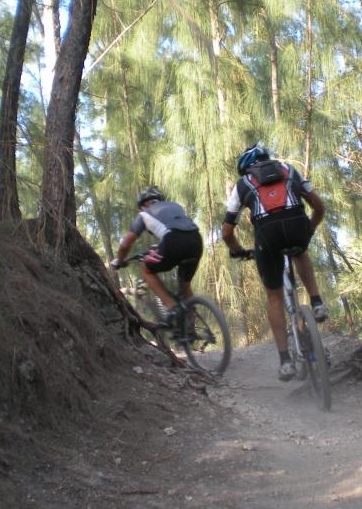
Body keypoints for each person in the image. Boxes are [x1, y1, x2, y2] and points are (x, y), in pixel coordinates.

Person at [222, 143, 328, 381]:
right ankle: (317, 302)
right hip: (296, 227)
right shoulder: (289, 170)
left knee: (274, 296)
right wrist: (308, 231)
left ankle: (285, 361)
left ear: (245, 168)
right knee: (300, 251)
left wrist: (238, 251)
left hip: (267, 237)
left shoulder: (243, 185)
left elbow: (227, 231)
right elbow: (319, 206)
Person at [111, 186, 203, 324]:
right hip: (196, 240)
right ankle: (191, 320)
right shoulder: (175, 206)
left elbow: (125, 245)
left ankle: (171, 307)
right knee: (184, 283)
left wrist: (119, 260)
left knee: (145, 268)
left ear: (143, 205)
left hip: (173, 240)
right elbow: (176, 227)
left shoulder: (144, 214)